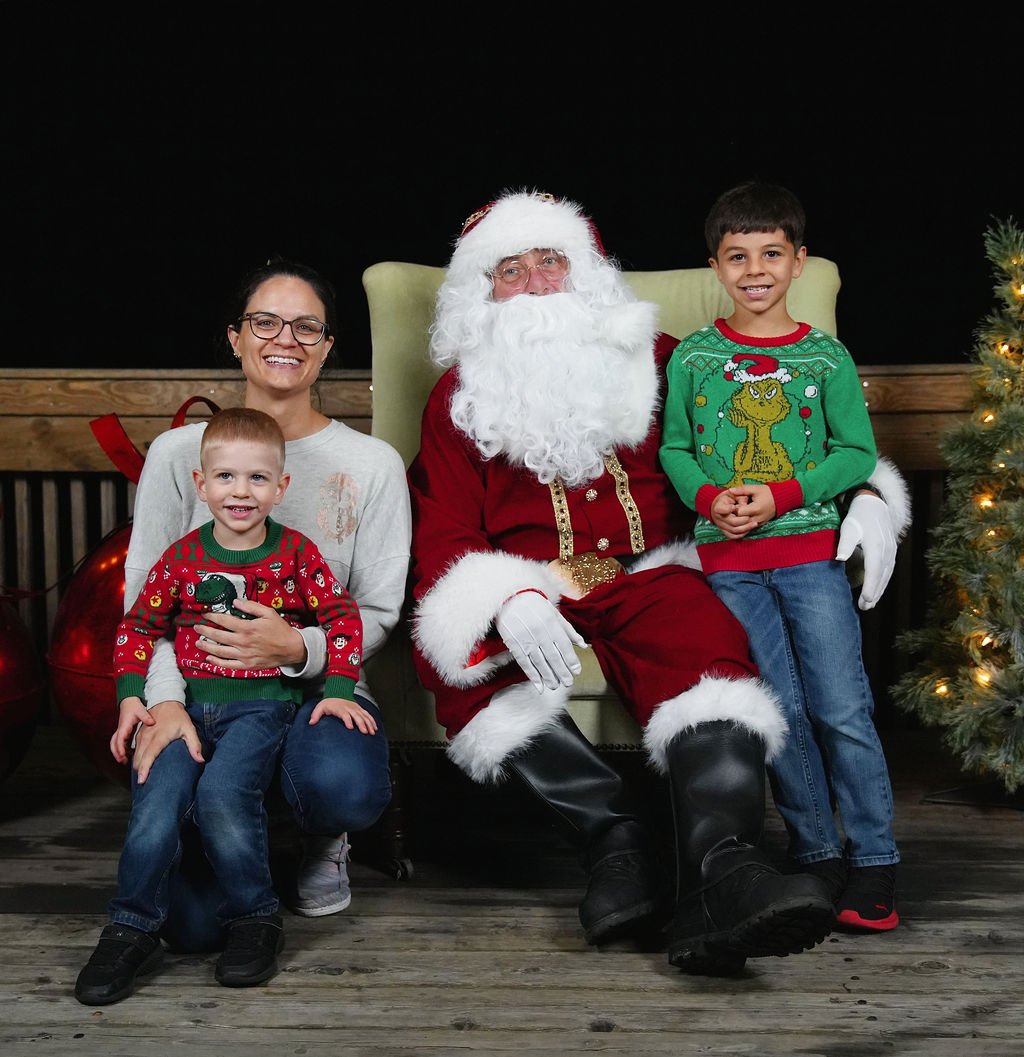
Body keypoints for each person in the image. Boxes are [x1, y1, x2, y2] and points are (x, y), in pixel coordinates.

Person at [407, 189, 910, 977]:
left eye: (551, 260)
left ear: (588, 274)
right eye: (511, 269)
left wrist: (867, 493)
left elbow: (783, 431)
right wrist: (507, 596)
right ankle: (618, 840)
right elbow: (443, 524)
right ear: (484, 293)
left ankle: (723, 868)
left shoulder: (673, 358)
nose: (537, 282)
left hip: (651, 571)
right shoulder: (458, 400)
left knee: (706, 639)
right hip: (533, 587)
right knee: (457, 652)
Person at [103, 260, 410, 949]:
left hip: (309, 691)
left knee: (343, 782)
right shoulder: (177, 455)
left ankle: (318, 833)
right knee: (190, 927)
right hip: (200, 688)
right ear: (236, 338)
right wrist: (167, 700)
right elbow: (141, 604)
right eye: (264, 322)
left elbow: (378, 608)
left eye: (307, 326)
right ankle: (221, 831)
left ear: (328, 347)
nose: (285, 338)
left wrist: (297, 648)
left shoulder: (371, 465)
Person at [659, 181, 907, 932]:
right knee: (784, 710)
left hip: (807, 558)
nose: (755, 268)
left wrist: (786, 491)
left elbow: (855, 451)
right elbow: (675, 446)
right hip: (730, 567)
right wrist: (710, 498)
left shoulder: (824, 357)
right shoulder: (697, 359)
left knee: (842, 707)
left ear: (799, 261)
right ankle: (815, 849)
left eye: (771, 252)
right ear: (717, 267)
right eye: (738, 256)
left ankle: (873, 858)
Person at [75, 408, 370, 1004]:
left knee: (222, 797)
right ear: (201, 483)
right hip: (184, 707)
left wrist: (337, 689)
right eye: (227, 478)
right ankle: (130, 926)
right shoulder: (182, 558)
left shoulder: (295, 555)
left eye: (258, 478)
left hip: (261, 706)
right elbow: (138, 628)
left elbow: (342, 619)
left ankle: (254, 917)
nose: (241, 491)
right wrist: (134, 697)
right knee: (156, 801)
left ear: (281, 487)